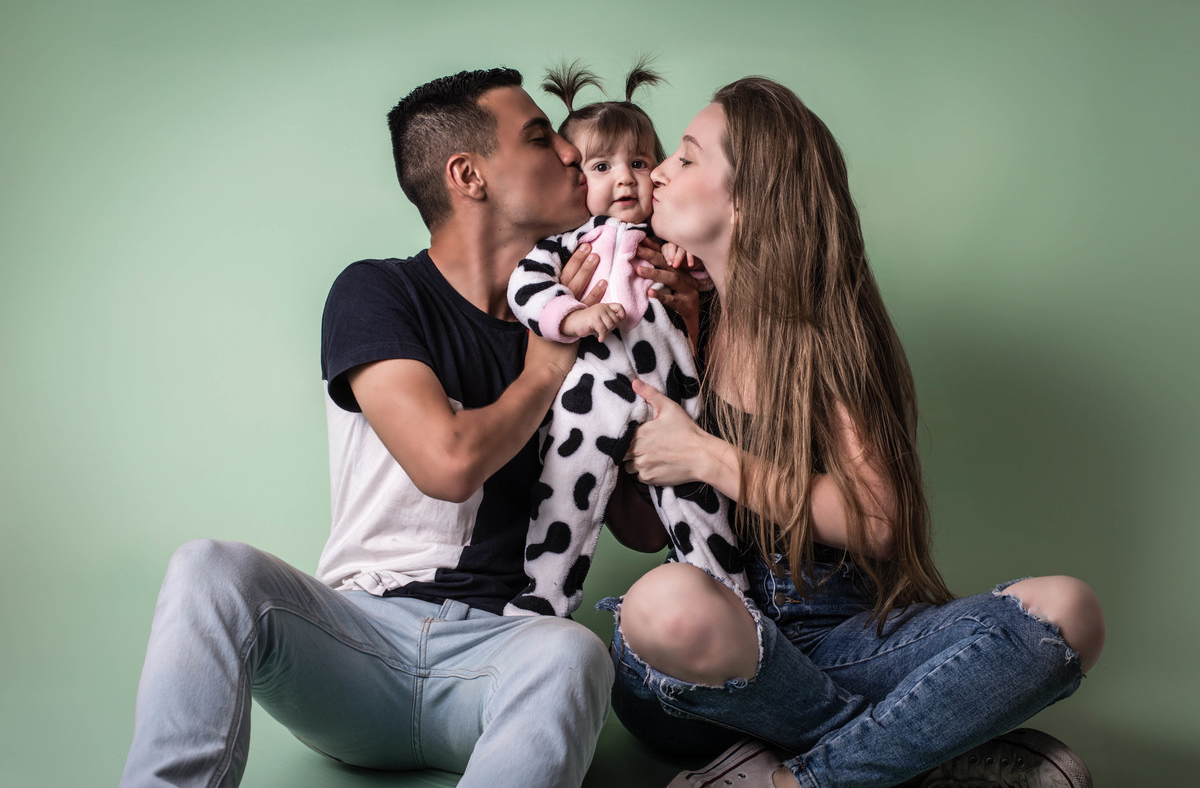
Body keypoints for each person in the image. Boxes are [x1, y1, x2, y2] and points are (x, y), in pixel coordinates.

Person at [119, 67, 674, 788]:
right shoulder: (379, 291)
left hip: (506, 652)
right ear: (468, 175)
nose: (572, 153)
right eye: (541, 138)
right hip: (356, 644)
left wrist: (672, 338)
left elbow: (643, 530)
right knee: (208, 568)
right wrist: (544, 370)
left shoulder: (590, 320)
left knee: (575, 653)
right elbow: (446, 463)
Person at [606, 77, 1107, 788]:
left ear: (749, 199)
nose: (657, 171)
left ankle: (792, 778)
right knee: (662, 603)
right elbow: (640, 534)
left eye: (686, 158)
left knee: (1070, 612)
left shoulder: (824, 337)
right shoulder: (666, 320)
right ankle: (914, 754)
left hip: (845, 645)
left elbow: (876, 521)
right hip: (704, 666)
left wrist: (708, 456)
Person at [505, 62, 744, 618]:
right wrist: (571, 318)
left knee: (698, 498)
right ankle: (543, 599)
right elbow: (526, 287)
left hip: (672, 391)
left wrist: (688, 263)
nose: (625, 179)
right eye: (602, 166)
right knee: (567, 490)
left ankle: (733, 599)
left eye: (639, 162)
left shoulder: (668, 240)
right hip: (592, 392)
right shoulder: (568, 243)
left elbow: (715, 280)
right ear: (575, 178)